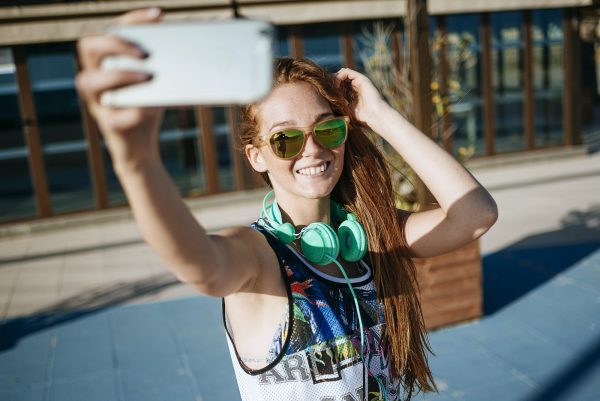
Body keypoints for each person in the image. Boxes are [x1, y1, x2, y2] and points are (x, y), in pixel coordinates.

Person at [76, 8, 498, 401]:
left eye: (327, 129)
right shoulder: (260, 257)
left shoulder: (368, 236)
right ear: (256, 156)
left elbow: (476, 214)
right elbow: (199, 265)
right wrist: (136, 162)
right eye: (286, 139)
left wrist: (382, 117)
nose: (312, 150)